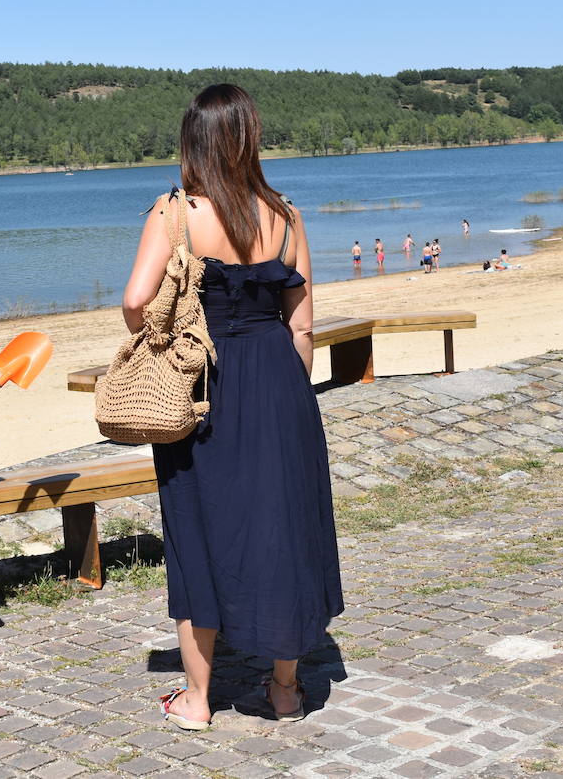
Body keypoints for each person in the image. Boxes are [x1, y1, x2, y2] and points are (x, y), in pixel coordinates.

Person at [122, 84, 343, 730]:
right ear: (249, 138)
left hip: (205, 387)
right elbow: (301, 324)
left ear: (194, 140)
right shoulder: (286, 215)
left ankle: (196, 700)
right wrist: (285, 394)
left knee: (199, 530)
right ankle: (283, 691)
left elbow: (136, 301)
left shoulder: (174, 213)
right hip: (278, 382)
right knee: (282, 523)